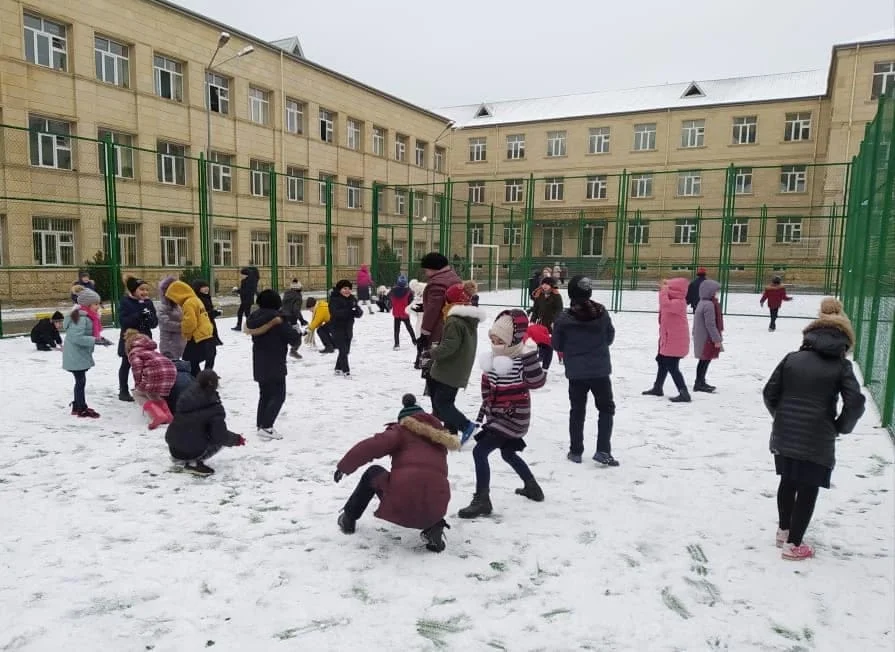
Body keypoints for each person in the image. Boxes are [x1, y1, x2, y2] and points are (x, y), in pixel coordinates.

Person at [762, 298, 865, 561]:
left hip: (785, 434)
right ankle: (794, 544)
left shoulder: (792, 358)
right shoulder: (841, 366)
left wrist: (782, 417)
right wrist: (840, 426)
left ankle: (784, 531)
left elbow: (769, 393)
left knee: (788, 479)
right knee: (808, 487)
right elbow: (854, 403)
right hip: (817, 436)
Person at [334, 393, 458, 552]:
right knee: (430, 482)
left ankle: (348, 519)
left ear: (405, 421)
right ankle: (434, 528)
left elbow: (372, 446)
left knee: (373, 473)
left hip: (404, 497)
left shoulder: (402, 431)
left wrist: (345, 466)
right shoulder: (440, 441)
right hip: (437, 504)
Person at [458, 310, 547, 519]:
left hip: (515, 417)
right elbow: (487, 395)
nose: (494, 341)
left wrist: (530, 356)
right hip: (498, 417)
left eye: (499, 339)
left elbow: (537, 382)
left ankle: (482, 500)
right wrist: (483, 417)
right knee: (507, 453)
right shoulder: (491, 362)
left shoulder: (519, 361)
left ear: (511, 340)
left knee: (479, 452)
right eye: (492, 337)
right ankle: (532, 487)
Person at [552, 275, 618, 466]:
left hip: (576, 372)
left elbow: (557, 344)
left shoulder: (564, 318)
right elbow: (610, 337)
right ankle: (603, 450)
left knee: (577, 410)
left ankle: (576, 451)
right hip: (600, 371)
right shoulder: (601, 312)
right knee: (606, 409)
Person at [424, 281, 484, 441]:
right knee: (443, 402)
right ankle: (450, 434)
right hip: (458, 368)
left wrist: (431, 353)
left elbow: (449, 346)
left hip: (450, 369)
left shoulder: (454, 320)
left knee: (443, 403)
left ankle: (467, 426)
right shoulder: (468, 318)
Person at [165, 370, 246, 477]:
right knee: (219, 439)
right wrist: (236, 439)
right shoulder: (215, 408)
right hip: (191, 451)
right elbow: (219, 436)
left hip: (174, 447)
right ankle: (192, 463)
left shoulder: (185, 396)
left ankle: (180, 458)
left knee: (192, 427)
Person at [244, 290, 301, 439]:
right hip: (275, 362)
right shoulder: (278, 320)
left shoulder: (254, 318)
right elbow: (293, 338)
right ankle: (267, 426)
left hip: (259, 362)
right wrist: (297, 333)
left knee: (265, 394)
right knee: (278, 395)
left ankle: (261, 425)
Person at [642, 278, 691, 402]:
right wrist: (663, 290)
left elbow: (665, 305)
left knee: (672, 366)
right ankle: (658, 387)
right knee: (662, 363)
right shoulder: (672, 300)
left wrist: (663, 291)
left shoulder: (679, 302)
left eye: (669, 287)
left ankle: (684, 392)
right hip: (667, 339)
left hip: (675, 341)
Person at [124, 329, 177, 430]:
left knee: (138, 393)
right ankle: (168, 415)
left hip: (155, 371)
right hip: (170, 370)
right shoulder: (149, 350)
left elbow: (137, 368)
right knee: (152, 393)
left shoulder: (134, 352)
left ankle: (158, 415)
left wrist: (137, 384)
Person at [117, 277, 158, 402]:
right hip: (130, 339)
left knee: (146, 365)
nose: (145, 292)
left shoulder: (148, 303)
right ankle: (123, 390)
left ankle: (142, 389)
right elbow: (123, 321)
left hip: (145, 339)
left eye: (146, 289)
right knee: (127, 363)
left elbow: (154, 323)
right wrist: (139, 315)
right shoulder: (126, 302)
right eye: (141, 289)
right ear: (134, 290)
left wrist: (149, 317)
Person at [164, 280, 214, 377]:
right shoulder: (196, 299)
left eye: (173, 298)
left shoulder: (188, 303)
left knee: (189, 360)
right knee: (193, 360)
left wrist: (186, 334)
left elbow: (190, 322)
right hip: (205, 333)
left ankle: (200, 382)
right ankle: (201, 380)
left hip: (197, 336)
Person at [62, 301, 101, 418]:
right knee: (80, 381)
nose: (98, 306)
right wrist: (95, 340)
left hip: (78, 354)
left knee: (80, 381)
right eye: (95, 303)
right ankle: (81, 408)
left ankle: (77, 405)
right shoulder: (81, 318)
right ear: (87, 305)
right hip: (75, 355)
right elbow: (77, 338)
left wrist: (97, 339)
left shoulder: (87, 317)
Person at [419, 252, 461, 348]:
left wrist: (424, 333)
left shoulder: (437, 283)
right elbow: (444, 302)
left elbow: (433, 311)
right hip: (454, 325)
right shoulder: (454, 277)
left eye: (426, 270)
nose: (425, 273)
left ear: (433, 268)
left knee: (432, 359)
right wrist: (424, 306)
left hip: (440, 328)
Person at [692, 279, 723, 393]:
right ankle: (699, 383)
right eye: (715, 291)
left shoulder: (702, 302)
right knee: (705, 360)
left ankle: (700, 381)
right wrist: (717, 339)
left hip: (701, 336)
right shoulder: (709, 305)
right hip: (706, 337)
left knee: (704, 360)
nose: (716, 293)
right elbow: (710, 324)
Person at [329, 280, 364, 377]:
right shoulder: (334, 299)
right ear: (340, 289)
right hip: (336, 328)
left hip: (348, 328)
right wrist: (350, 310)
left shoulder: (352, 299)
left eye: (348, 289)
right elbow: (335, 313)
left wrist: (357, 311)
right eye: (344, 289)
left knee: (346, 350)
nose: (347, 291)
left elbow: (358, 312)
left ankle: (337, 368)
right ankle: (346, 371)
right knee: (343, 350)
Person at [529, 275, 563, 370]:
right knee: (539, 342)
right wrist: (532, 321)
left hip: (551, 324)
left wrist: (554, 321)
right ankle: (541, 356)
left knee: (549, 345)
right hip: (540, 324)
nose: (544, 286)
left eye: (547, 284)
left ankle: (545, 367)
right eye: (543, 284)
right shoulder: (539, 295)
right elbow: (535, 309)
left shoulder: (556, 296)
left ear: (551, 285)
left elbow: (559, 310)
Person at [191, 279, 222, 370]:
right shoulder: (197, 300)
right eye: (203, 287)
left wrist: (214, 312)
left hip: (209, 328)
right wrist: (214, 313)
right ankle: (200, 372)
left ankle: (207, 371)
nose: (206, 288)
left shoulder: (206, 297)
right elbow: (202, 315)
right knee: (208, 353)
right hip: (202, 331)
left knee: (211, 353)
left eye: (206, 286)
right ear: (197, 288)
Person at [158, 276, 186, 360]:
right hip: (169, 344)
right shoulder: (163, 307)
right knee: (171, 367)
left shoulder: (178, 306)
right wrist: (182, 326)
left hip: (180, 342)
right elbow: (165, 324)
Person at [388, 275, 417, 350]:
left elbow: (389, 298)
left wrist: (390, 306)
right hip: (405, 312)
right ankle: (415, 341)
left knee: (396, 329)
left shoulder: (393, 290)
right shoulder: (408, 291)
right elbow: (411, 301)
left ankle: (397, 344)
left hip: (396, 312)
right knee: (409, 327)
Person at [281, 279, 307, 359]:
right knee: (297, 336)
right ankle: (293, 351)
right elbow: (296, 310)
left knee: (283, 335)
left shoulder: (286, 293)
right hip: (292, 319)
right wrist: (302, 320)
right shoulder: (298, 296)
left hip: (282, 317)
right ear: (299, 288)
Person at [233, 265, 259, 331]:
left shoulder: (249, 281)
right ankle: (250, 326)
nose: (241, 276)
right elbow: (244, 290)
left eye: (242, 274)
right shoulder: (246, 280)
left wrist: (237, 291)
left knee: (241, 312)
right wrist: (239, 290)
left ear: (246, 275)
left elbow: (246, 291)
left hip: (247, 300)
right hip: (245, 299)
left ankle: (241, 326)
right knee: (247, 313)